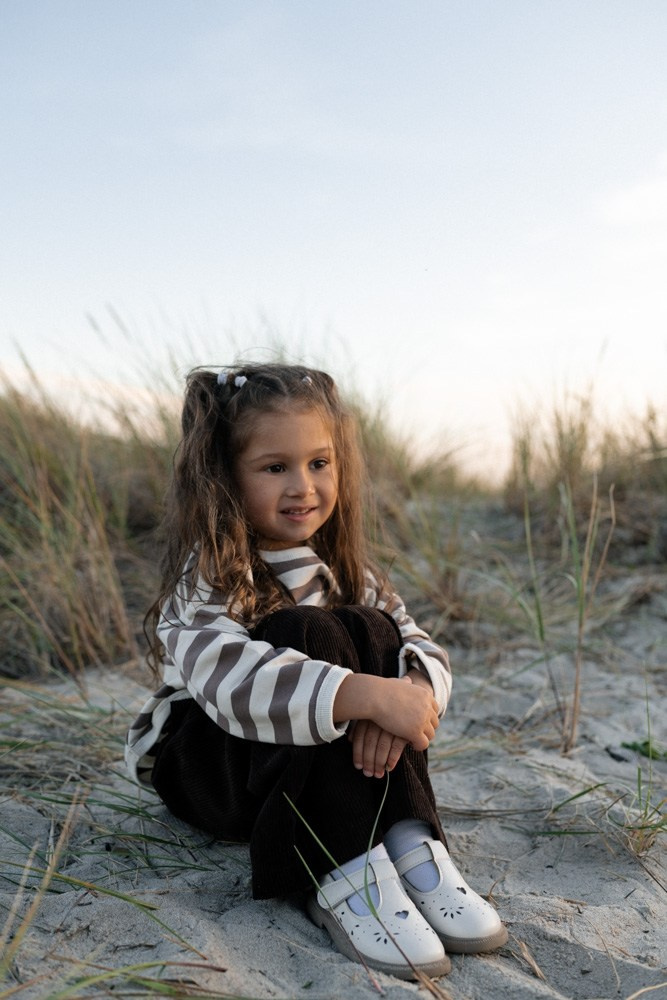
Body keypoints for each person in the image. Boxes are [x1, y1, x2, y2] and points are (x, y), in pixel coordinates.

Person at [125, 363, 507, 980]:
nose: (302, 486)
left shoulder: (347, 569)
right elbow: (228, 677)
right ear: (226, 476)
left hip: (303, 774)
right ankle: (342, 866)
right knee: (305, 633)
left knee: (374, 630)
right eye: (275, 468)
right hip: (211, 770)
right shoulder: (216, 572)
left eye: (319, 464)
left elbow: (419, 643)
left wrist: (405, 692)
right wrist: (362, 695)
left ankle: (408, 841)